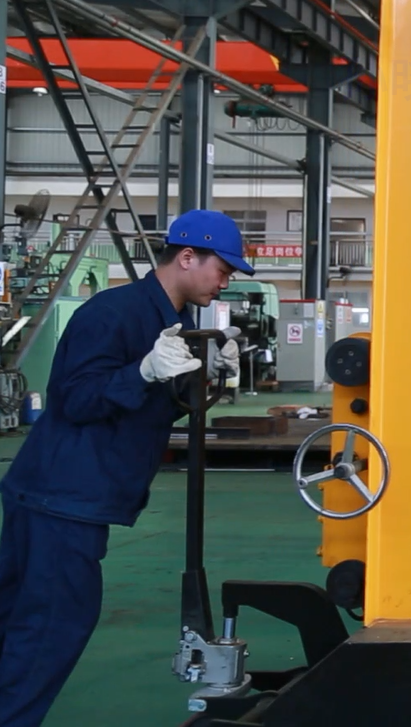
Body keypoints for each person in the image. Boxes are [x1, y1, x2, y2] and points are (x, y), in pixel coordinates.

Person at [0, 210, 254, 726]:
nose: (225, 282)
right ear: (187, 257)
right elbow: (75, 399)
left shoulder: (172, 322)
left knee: (20, 623)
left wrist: (203, 376)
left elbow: (151, 405)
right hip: (61, 498)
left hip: (65, 496)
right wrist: (142, 370)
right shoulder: (113, 313)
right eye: (223, 270)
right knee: (51, 627)